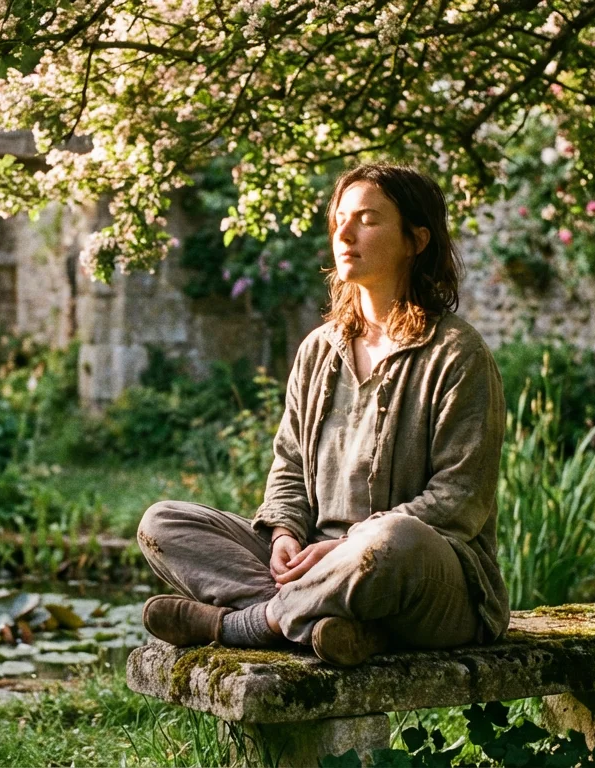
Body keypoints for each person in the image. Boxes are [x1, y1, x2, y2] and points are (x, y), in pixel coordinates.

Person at [136, 163, 509, 667]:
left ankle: (248, 624)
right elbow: (288, 466)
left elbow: (458, 501)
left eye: (368, 220)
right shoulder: (319, 350)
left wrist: (345, 549)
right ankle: (334, 625)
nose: (345, 233)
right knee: (163, 523)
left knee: (392, 541)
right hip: (314, 563)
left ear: (415, 240)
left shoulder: (457, 354)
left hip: (428, 578)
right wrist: (287, 534)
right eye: (339, 219)